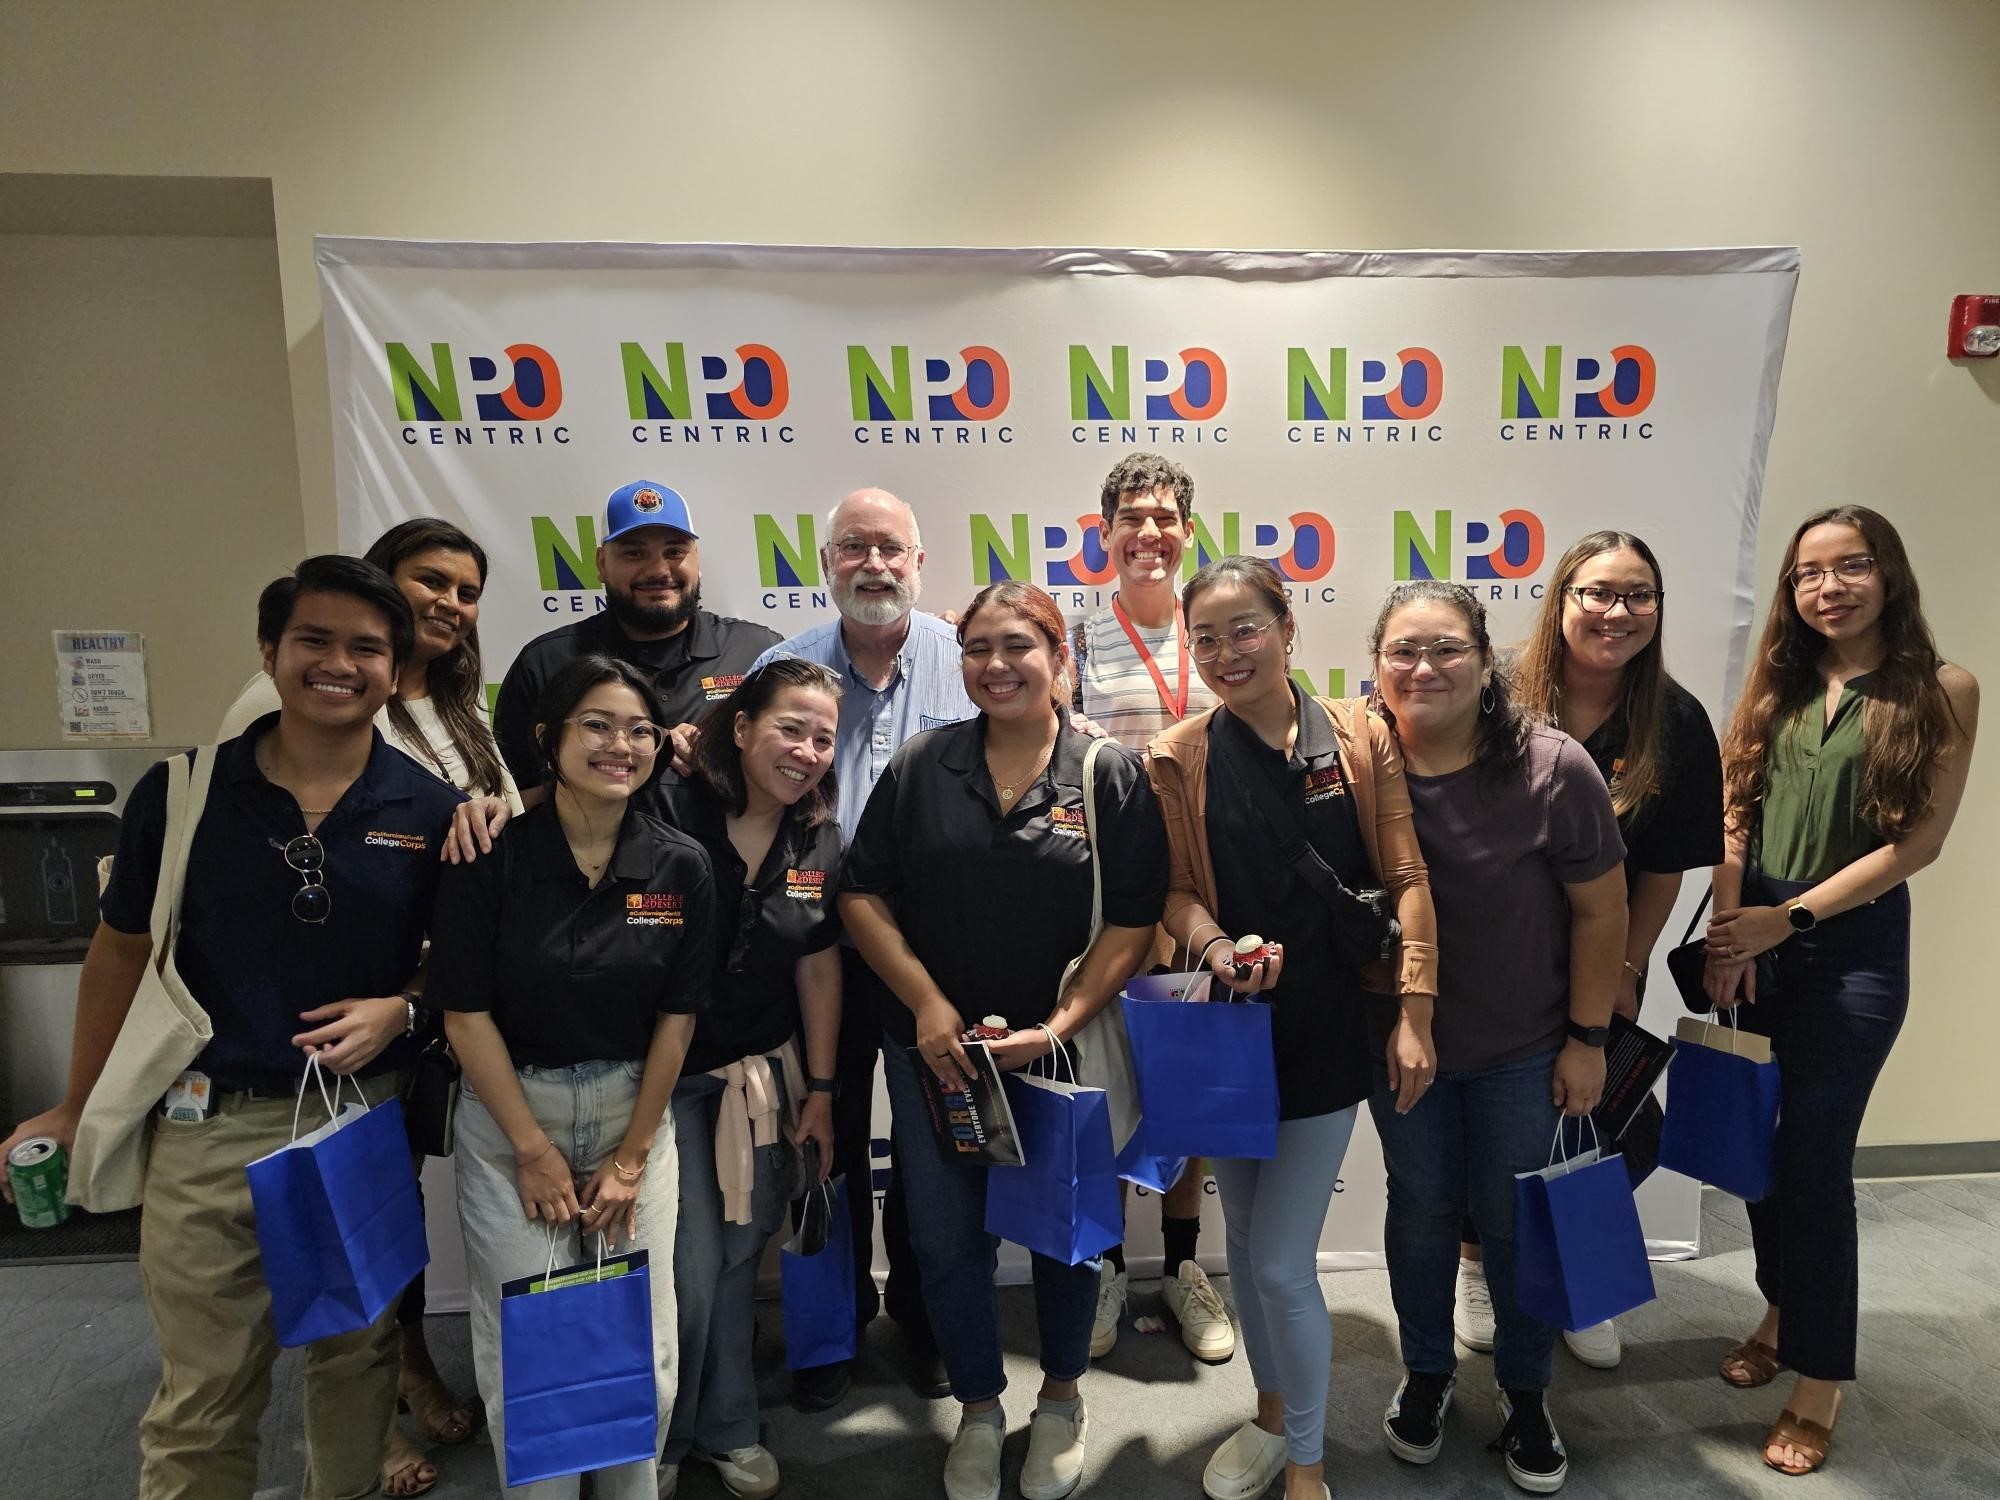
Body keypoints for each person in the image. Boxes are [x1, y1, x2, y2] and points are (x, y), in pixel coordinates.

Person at [1, 556, 466, 1500]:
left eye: (367, 648)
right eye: (315, 641)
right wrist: (72, 1103)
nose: (340, 664)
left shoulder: (428, 809)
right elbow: (121, 953)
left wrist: (405, 1008)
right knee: (205, 1394)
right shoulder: (180, 795)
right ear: (270, 652)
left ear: (393, 665)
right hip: (205, 1126)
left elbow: (456, 963)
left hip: (356, 1122)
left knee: (357, 1363)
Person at [838, 581, 1167, 1500]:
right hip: (937, 1058)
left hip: (1059, 1060)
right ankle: (980, 1411)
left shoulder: (1107, 775)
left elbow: (1133, 925)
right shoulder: (920, 767)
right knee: (945, 1245)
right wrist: (929, 1007)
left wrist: (1056, 1028)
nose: (996, 665)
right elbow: (861, 895)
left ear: (1059, 660)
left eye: (1018, 645)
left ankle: (1061, 1401)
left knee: (1065, 1241)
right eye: (978, 648)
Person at [218, 516, 516, 1495]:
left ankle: (400, 1364)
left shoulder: (464, 711)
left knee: (390, 1207)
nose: (449, 603)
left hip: (442, 1000)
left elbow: (502, 837)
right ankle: (383, 1398)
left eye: (466, 591)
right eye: (429, 581)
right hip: (338, 1014)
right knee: (332, 1211)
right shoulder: (293, 703)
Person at [1147, 557, 1439, 1500]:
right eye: (1206, 638)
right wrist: (1218, 949)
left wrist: (1414, 1012)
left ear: (1286, 627)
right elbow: (1180, 894)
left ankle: (1308, 1467)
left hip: (1329, 1028)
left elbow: (1406, 878)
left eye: (1246, 629)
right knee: (1247, 1246)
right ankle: (1271, 1419)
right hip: (1233, 1030)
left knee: (1278, 1264)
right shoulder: (1179, 753)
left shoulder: (1360, 735)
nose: (1227, 653)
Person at [1703, 506, 1978, 1477]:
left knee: (1814, 1156)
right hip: (1756, 937)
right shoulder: (1774, 685)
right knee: (1760, 1152)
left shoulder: (1941, 689)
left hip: (1849, 950)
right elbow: (1733, 812)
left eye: (1848, 566)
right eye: (1807, 573)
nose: (1827, 587)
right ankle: (1781, 1309)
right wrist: (1730, 930)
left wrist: (1791, 920)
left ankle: (1816, 1381)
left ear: (1887, 574)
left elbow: (1919, 844)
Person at [427, 656, 717, 1499]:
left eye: (639, 730)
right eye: (595, 725)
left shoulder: (678, 866)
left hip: (636, 1119)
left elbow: (678, 1018)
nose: (619, 745)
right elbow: (463, 1013)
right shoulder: (490, 854)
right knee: (533, 1353)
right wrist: (532, 1148)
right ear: (547, 738)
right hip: (514, 1119)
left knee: (640, 1350)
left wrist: (630, 1157)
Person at [1365, 581, 1627, 1496]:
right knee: (1422, 1214)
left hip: (1526, 1048)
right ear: (1376, 667)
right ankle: (1428, 1372)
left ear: (1486, 662)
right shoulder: (1358, 765)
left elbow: (1603, 914)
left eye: (1446, 649)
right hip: (1405, 1050)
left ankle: (1525, 1390)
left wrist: (1589, 1039)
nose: (1424, 668)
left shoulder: (1553, 768)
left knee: (1518, 1227)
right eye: (1403, 651)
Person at [1452, 531, 1723, 1374]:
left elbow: (1664, 870)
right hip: (1494, 959)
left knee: (1599, 1128)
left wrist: (1628, 973)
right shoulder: (1494, 696)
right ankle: (1477, 1270)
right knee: (1484, 1128)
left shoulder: (1676, 721)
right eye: (1597, 593)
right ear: (1561, 599)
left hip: (1604, 966)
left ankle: (1580, 1276)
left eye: (1638, 595)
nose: (1617, 612)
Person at [752, 486, 977, 1408]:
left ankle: (926, 1320)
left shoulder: (969, 661)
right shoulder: (782, 666)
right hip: (812, 947)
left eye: (891, 549)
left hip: (934, 952)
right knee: (823, 1137)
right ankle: (824, 1337)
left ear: (920, 564)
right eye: (854, 548)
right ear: (827, 563)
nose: (873, 565)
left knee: (932, 1149)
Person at [653, 660, 846, 1500]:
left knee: (740, 1249)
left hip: (764, 1076)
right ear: (739, 728)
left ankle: (723, 1425)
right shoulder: (667, 807)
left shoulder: (818, 840)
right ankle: (668, 1434)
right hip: (663, 1079)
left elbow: (818, 969)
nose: (806, 751)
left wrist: (823, 1090)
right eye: (789, 729)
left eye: (823, 737)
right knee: (691, 1263)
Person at [1067, 453, 1229, 1365]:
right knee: (1099, 1088)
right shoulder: (1079, 642)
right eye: (1132, 516)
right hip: (1105, 902)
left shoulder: (1215, 635)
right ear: (1106, 534)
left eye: (1166, 517)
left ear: (1186, 532)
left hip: (1205, 899)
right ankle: (1099, 1268)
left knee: (1187, 1095)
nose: (1150, 533)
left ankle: (1180, 1269)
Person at [491, 481, 781, 813]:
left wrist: (721, 753)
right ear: (601, 564)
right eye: (634, 552)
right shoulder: (546, 663)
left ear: (697, 561)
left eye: (674, 551)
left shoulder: (758, 651)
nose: (658, 570)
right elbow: (517, 801)